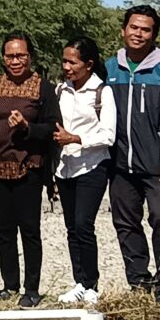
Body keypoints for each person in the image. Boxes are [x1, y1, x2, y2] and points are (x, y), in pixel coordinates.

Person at [0, 32, 61, 309]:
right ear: (3, 58)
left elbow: (52, 128)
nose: (15, 61)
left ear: (30, 57)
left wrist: (27, 128)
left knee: (30, 230)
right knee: (4, 230)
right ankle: (10, 285)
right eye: (10, 56)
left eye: (20, 55)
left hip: (29, 169)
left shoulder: (42, 88)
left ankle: (31, 288)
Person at [105, 5, 160, 308]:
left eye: (146, 29)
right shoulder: (110, 68)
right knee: (125, 222)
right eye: (134, 27)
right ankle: (138, 279)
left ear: (154, 35)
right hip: (119, 163)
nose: (138, 34)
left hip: (156, 164)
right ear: (124, 30)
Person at [53, 36, 116, 305]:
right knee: (71, 227)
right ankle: (78, 281)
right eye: (65, 61)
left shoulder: (103, 92)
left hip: (92, 165)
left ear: (88, 64)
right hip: (64, 167)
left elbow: (108, 134)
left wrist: (76, 138)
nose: (67, 66)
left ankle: (91, 283)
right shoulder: (59, 91)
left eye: (73, 62)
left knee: (83, 224)